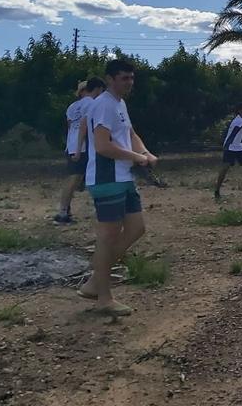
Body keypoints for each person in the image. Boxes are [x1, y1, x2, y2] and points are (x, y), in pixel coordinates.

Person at [76, 59, 157, 317]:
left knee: (136, 228)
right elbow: (102, 146)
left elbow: (130, 134)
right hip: (106, 178)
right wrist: (137, 158)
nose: (129, 83)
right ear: (110, 79)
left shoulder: (119, 104)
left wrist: (145, 152)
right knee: (108, 236)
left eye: (131, 78)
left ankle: (95, 281)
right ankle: (104, 298)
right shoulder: (104, 105)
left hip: (122, 177)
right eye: (124, 78)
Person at [54, 78, 105, 224]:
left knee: (73, 179)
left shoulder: (72, 107)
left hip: (71, 145)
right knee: (84, 178)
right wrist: (79, 148)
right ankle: (65, 212)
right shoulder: (94, 104)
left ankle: (64, 209)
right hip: (84, 146)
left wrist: (72, 147)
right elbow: (85, 126)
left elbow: (71, 127)